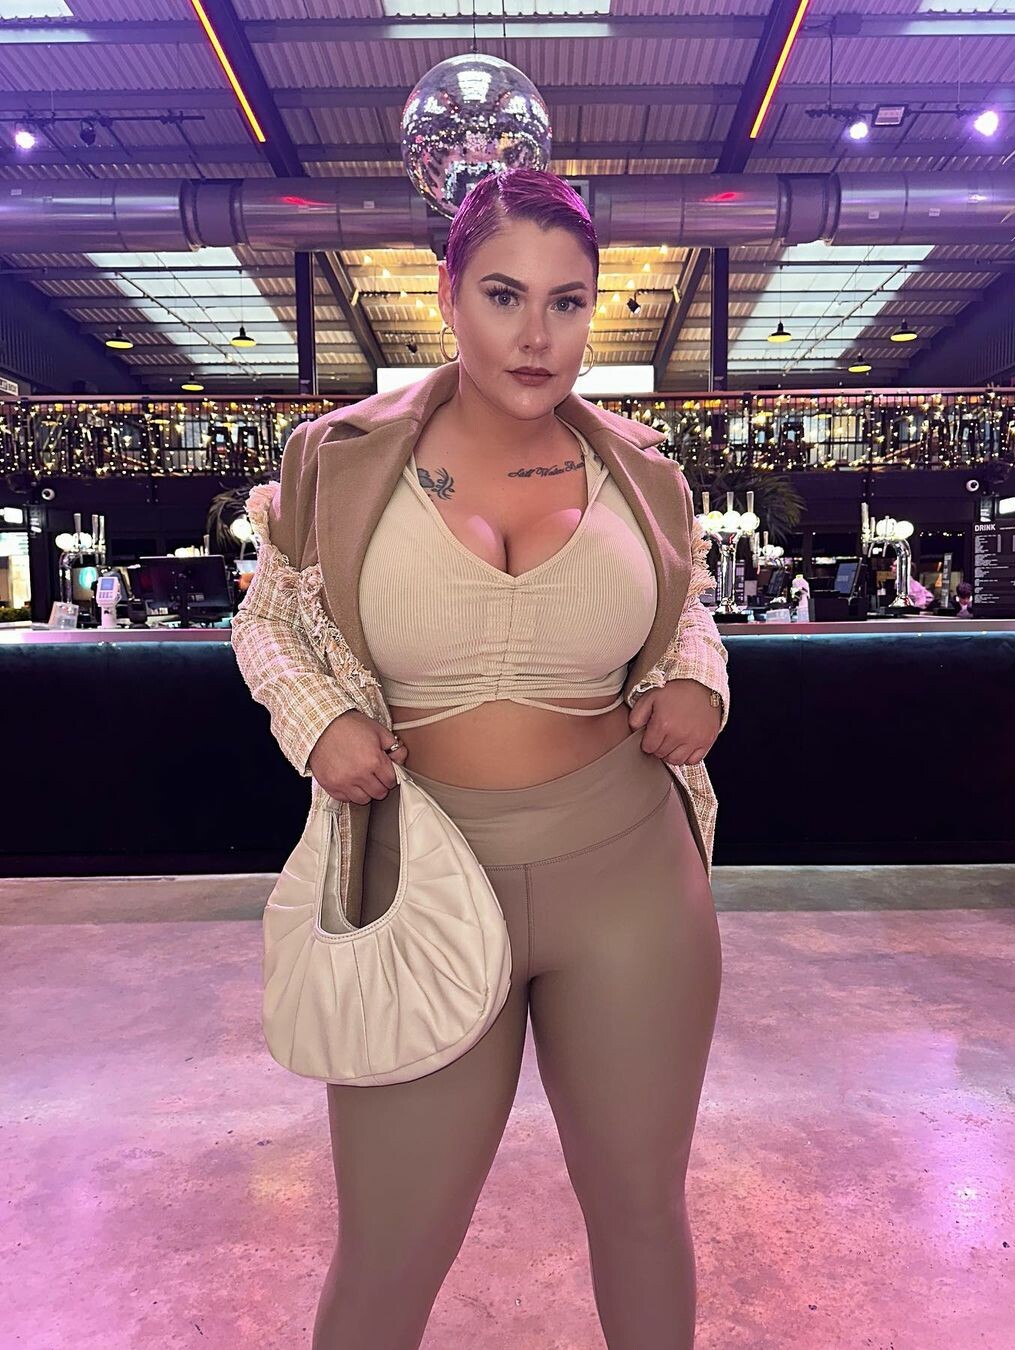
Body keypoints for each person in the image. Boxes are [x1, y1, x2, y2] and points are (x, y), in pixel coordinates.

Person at [233, 167, 730, 1350]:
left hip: (629, 872)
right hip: (421, 877)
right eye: (505, 295)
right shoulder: (339, 458)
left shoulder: (640, 468)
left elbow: (686, 607)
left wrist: (699, 679)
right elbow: (269, 621)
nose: (536, 336)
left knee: (642, 1211)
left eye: (568, 302)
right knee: (390, 1247)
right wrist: (318, 720)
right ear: (448, 293)